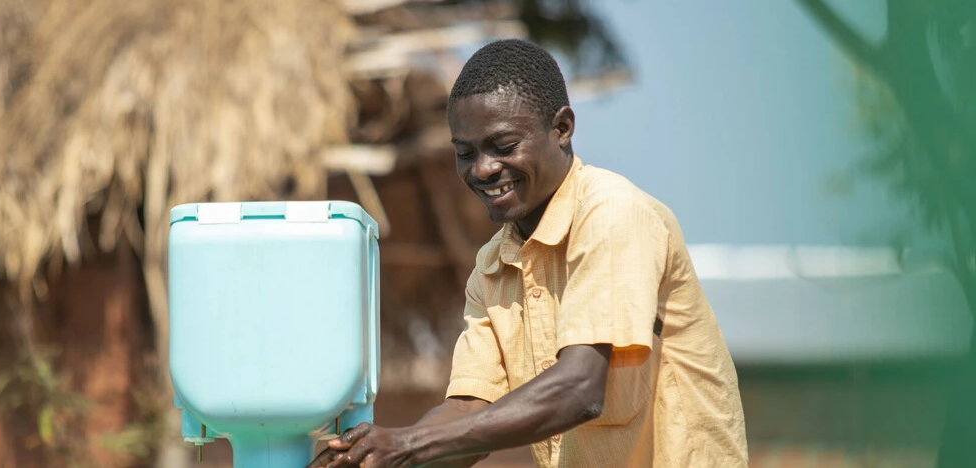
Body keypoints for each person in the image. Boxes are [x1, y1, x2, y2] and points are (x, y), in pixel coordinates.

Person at [307, 39, 748, 468]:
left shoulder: (613, 214)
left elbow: (579, 389)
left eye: (503, 146)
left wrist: (408, 443)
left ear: (562, 129)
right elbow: (467, 412)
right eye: (465, 153)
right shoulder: (494, 265)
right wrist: (373, 458)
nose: (482, 169)